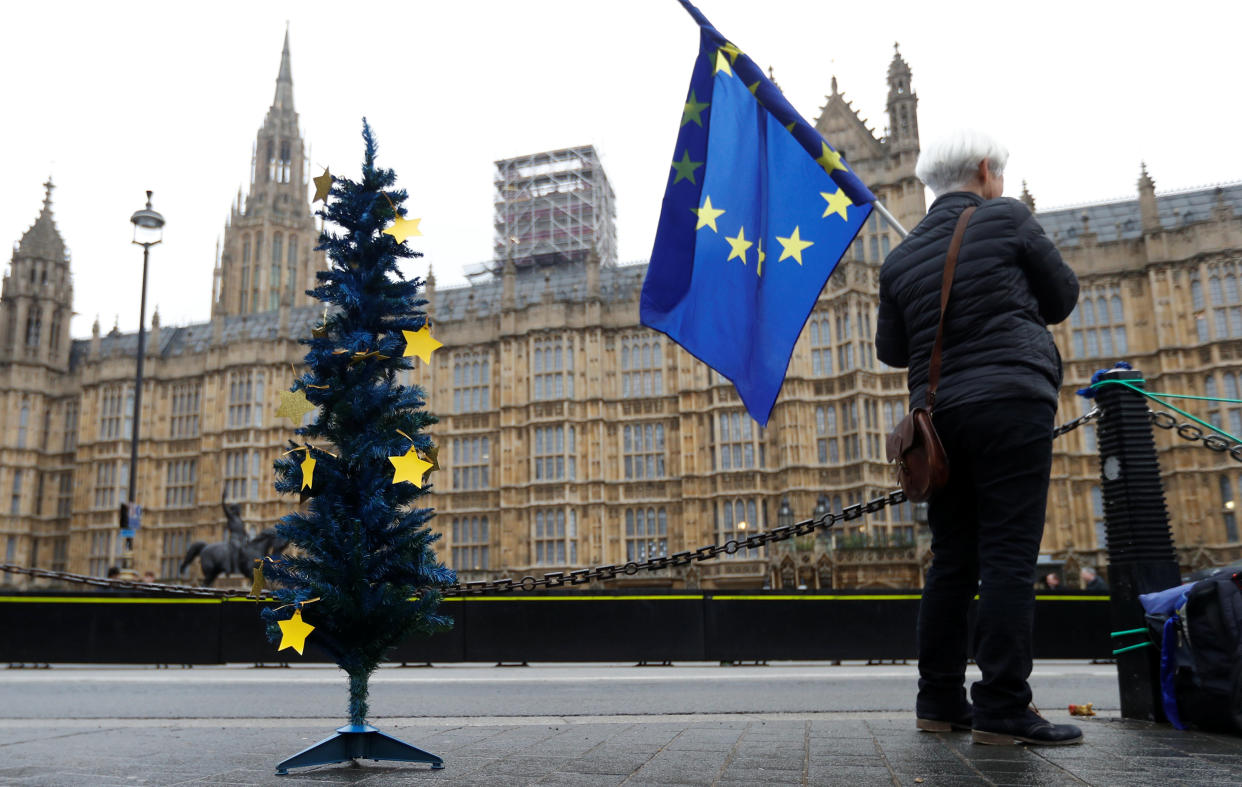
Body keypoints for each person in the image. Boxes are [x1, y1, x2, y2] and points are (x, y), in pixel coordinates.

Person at [876, 130, 1082, 746]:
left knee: (951, 563)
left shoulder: (901, 258)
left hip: (937, 421)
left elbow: (891, 350)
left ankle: (938, 702)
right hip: (1010, 402)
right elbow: (1062, 297)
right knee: (1008, 561)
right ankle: (1002, 707)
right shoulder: (1008, 217)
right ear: (986, 172)